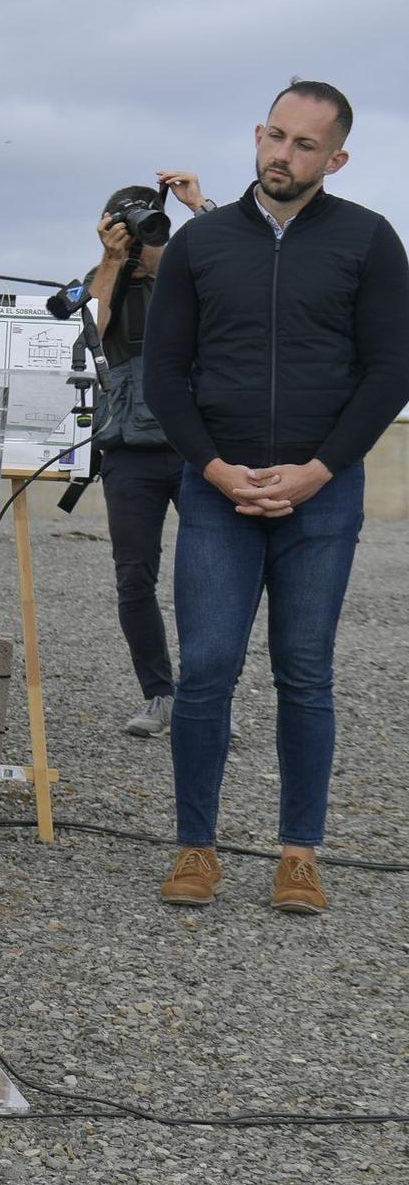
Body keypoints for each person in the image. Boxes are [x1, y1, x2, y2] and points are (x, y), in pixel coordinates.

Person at [145, 79, 409, 914]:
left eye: (303, 146)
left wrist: (321, 469)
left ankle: (299, 854)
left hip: (321, 494)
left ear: (336, 158)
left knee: (305, 674)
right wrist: (216, 470)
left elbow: (390, 371)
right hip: (217, 489)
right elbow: (161, 374)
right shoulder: (201, 244)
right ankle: (196, 847)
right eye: (274, 137)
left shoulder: (369, 241)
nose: (281, 156)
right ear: (258, 134)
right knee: (207, 671)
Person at [85, 174, 218, 739]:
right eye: (132, 228)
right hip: (131, 455)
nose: (143, 239)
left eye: (150, 228)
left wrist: (197, 208)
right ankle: (159, 696)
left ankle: (206, 700)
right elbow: (94, 329)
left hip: (199, 452)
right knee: (135, 579)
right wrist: (112, 262)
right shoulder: (102, 280)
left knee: (212, 576)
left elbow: (233, 263)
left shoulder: (192, 278)